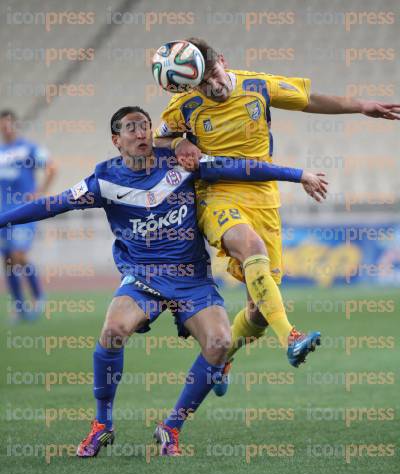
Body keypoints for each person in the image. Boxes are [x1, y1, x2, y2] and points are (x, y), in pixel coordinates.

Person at [0, 106, 327, 456]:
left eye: (144, 126)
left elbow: (240, 166)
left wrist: (299, 174)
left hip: (191, 278)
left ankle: (171, 427)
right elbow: (53, 203)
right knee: (112, 332)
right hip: (144, 277)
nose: (141, 133)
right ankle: (101, 425)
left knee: (219, 342)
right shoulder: (104, 181)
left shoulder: (182, 163)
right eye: (131, 128)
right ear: (116, 140)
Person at [153, 37, 400, 395]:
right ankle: (292, 338)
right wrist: (179, 143)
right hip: (217, 193)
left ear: (223, 60)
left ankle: (220, 358)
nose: (214, 86)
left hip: (264, 195)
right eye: (204, 84)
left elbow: (309, 100)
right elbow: (161, 138)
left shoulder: (257, 85)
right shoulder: (183, 105)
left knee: (256, 315)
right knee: (250, 246)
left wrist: (361, 105)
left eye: (216, 75)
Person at [0, 110, 56, 321]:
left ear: (15, 125)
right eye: (2, 125)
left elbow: (52, 167)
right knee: (7, 261)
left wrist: (40, 192)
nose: (6, 128)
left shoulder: (28, 148)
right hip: (2, 213)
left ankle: (38, 297)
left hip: (23, 212)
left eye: (8, 124)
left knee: (19, 256)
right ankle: (20, 307)